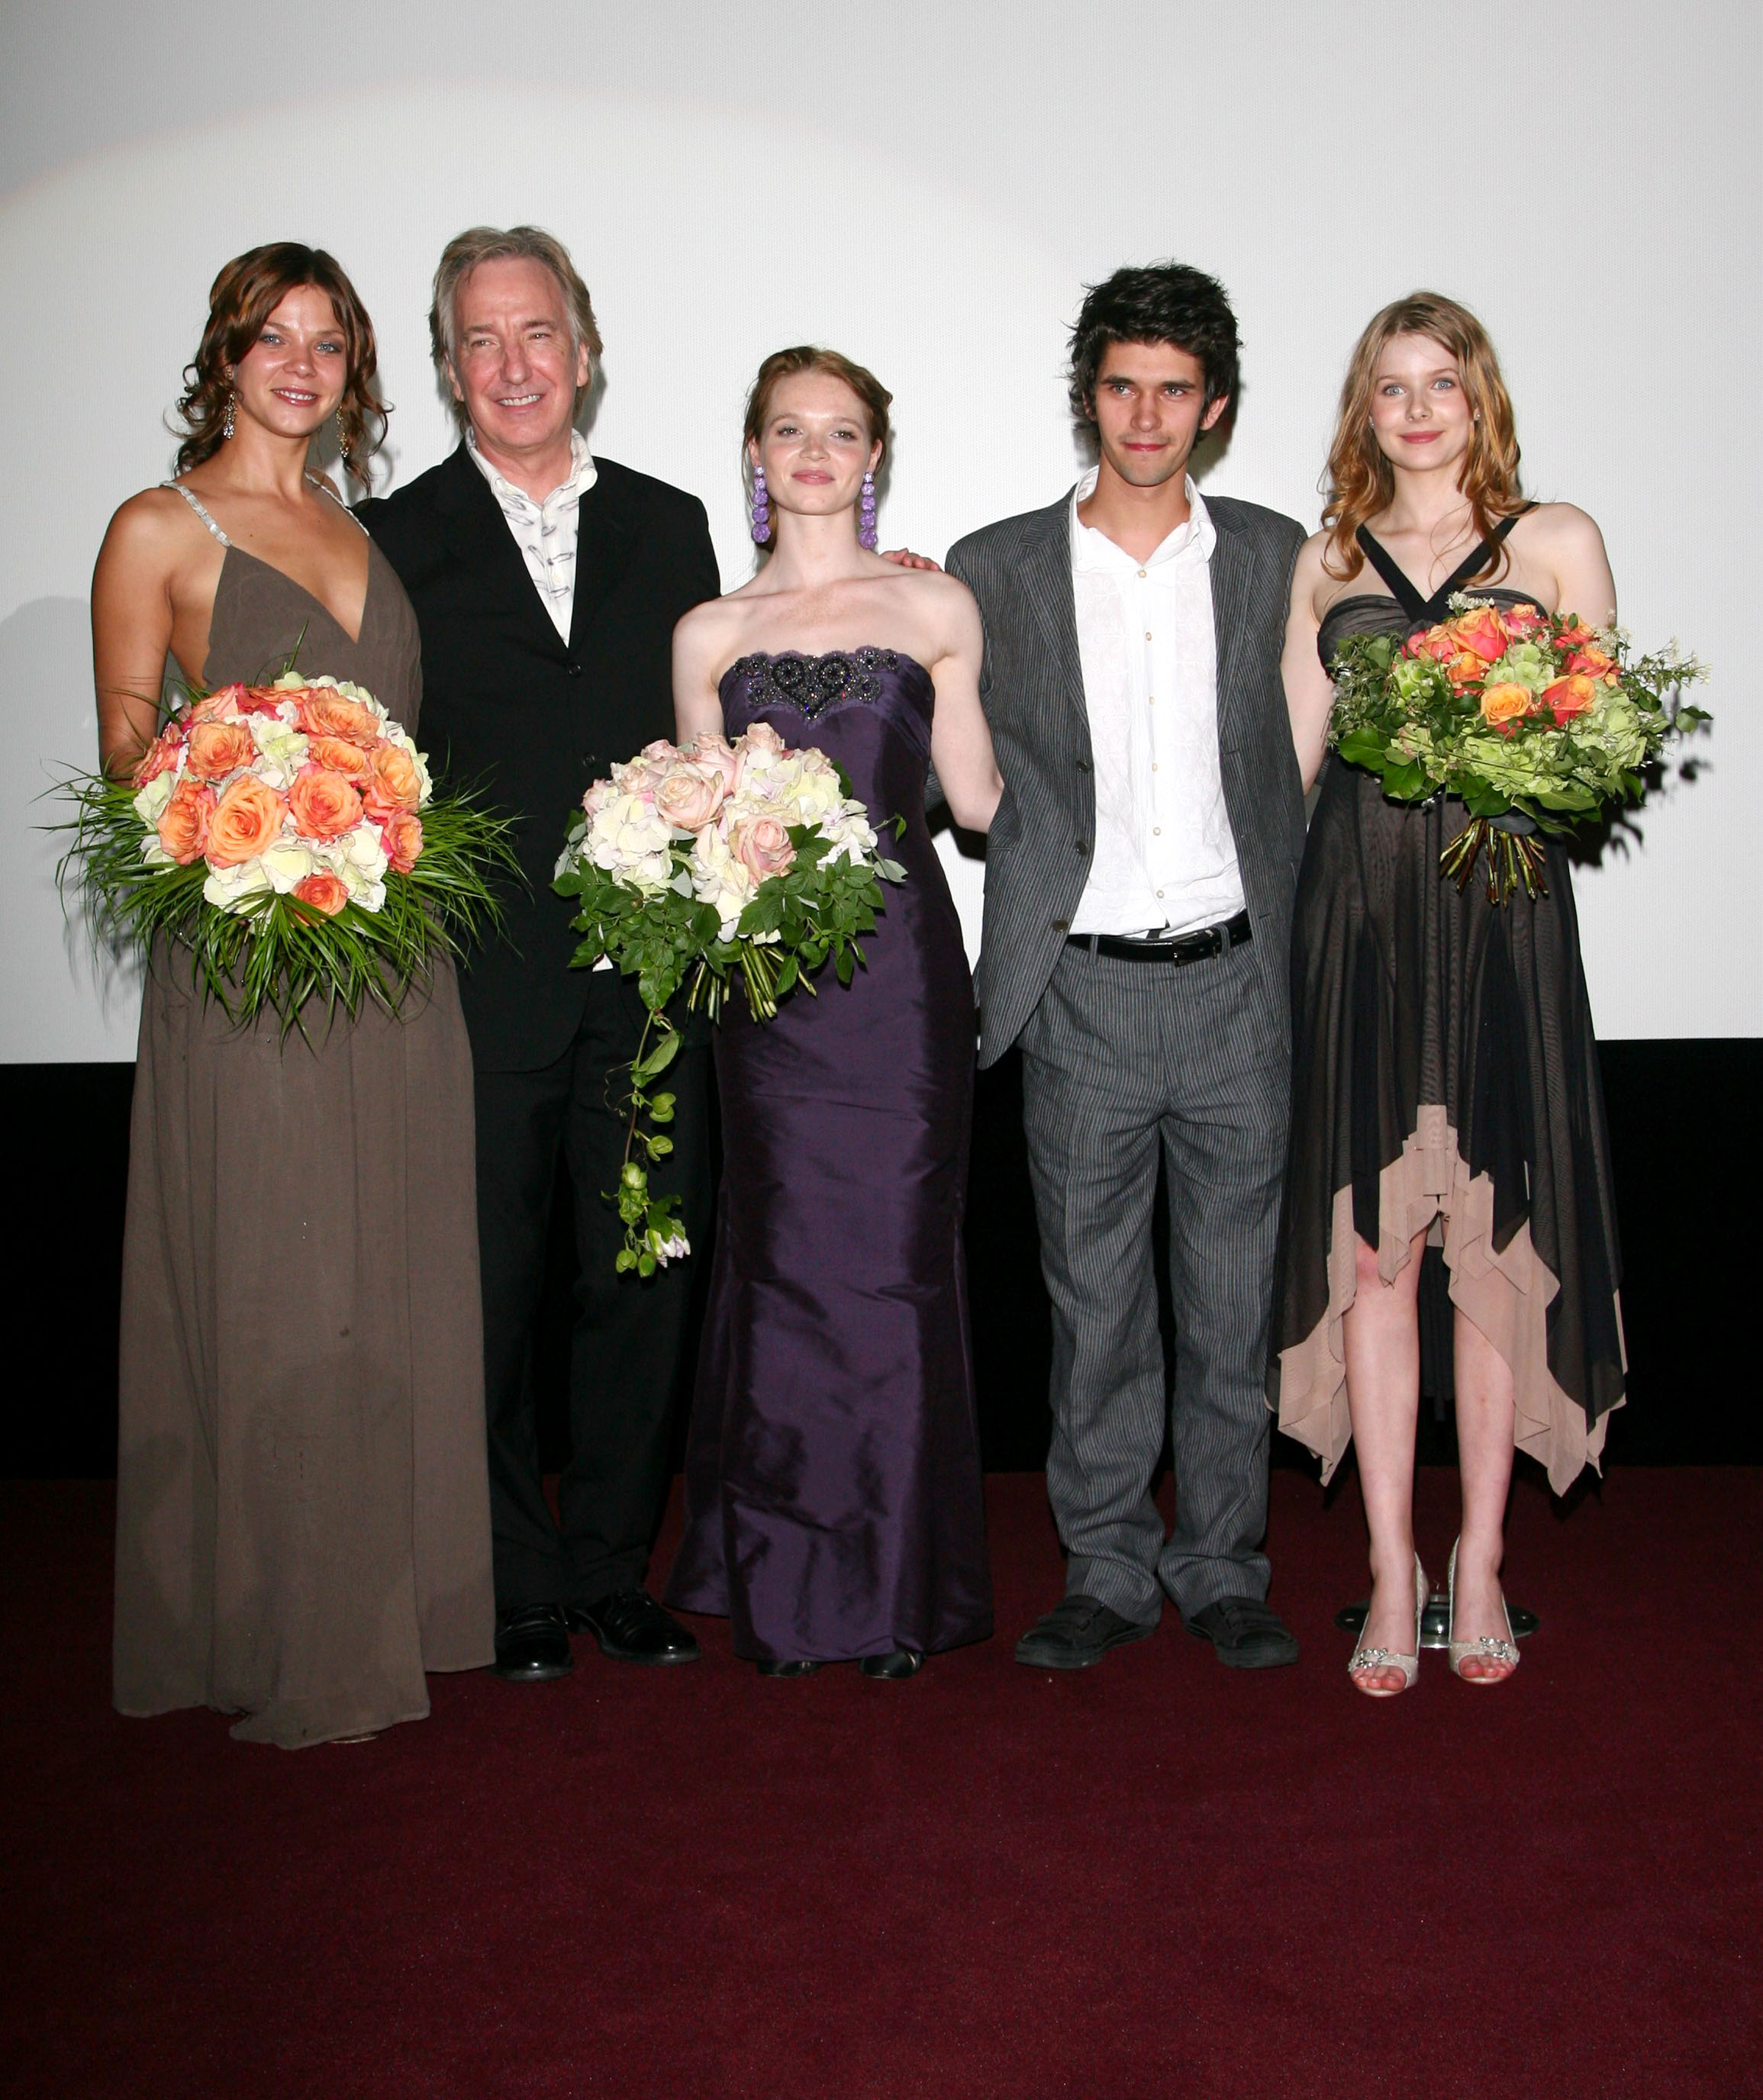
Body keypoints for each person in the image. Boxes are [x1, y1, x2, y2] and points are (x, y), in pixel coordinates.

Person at [97, 243, 495, 1747]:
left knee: (391, 1281)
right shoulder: (158, 527)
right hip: (251, 965)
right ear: (225, 355)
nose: (302, 365)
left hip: (392, 959)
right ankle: (286, 1628)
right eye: (274, 337)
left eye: (329, 343)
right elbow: (129, 763)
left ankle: (408, 1604)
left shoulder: (355, 528)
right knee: (282, 1288)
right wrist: (249, 811)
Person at [359, 227, 719, 1682]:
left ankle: (610, 1569)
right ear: (450, 369)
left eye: (537, 333)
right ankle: (511, 1579)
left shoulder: (672, 523)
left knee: (640, 1284)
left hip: (646, 980)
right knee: (486, 1294)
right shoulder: (392, 538)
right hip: (472, 983)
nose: (514, 365)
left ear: (584, 347)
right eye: (481, 340)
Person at [946, 264, 1306, 1673]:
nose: (1144, 416)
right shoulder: (993, 567)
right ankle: (1102, 1567)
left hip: (1238, 987)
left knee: (1231, 1308)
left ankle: (1219, 1566)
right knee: (1091, 1312)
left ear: (1212, 408)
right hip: (1077, 992)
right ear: (1086, 396)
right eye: (1120, 386)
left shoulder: (1276, 555)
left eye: (1173, 390)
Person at [1271, 291, 1625, 1695]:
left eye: (1441, 383)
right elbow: (1291, 770)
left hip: (1499, 930)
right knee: (1373, 1253)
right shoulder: (1324, 561)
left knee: (1488, 1249)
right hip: (1355, 929)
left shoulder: (1556, 540)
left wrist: (1507, 739)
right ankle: (1387, 1566)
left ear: (1479, 397)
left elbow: (1597, 746)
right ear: (1362, 409)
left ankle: (1477, 1556)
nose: (1416, 410)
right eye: (1390, 387)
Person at [662, 347, 1001, 1678]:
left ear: (874, 458)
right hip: (769, 1002)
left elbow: (977, 803)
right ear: (754, 454)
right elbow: (695, 827)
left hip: (901, 992)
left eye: (842, 431)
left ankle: (894, 1587)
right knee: (787, 1266)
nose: (814, 452)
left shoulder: (936, 604)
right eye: (789, 430)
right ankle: (790, 1586)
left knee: (896, 1268)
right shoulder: (706, 632)